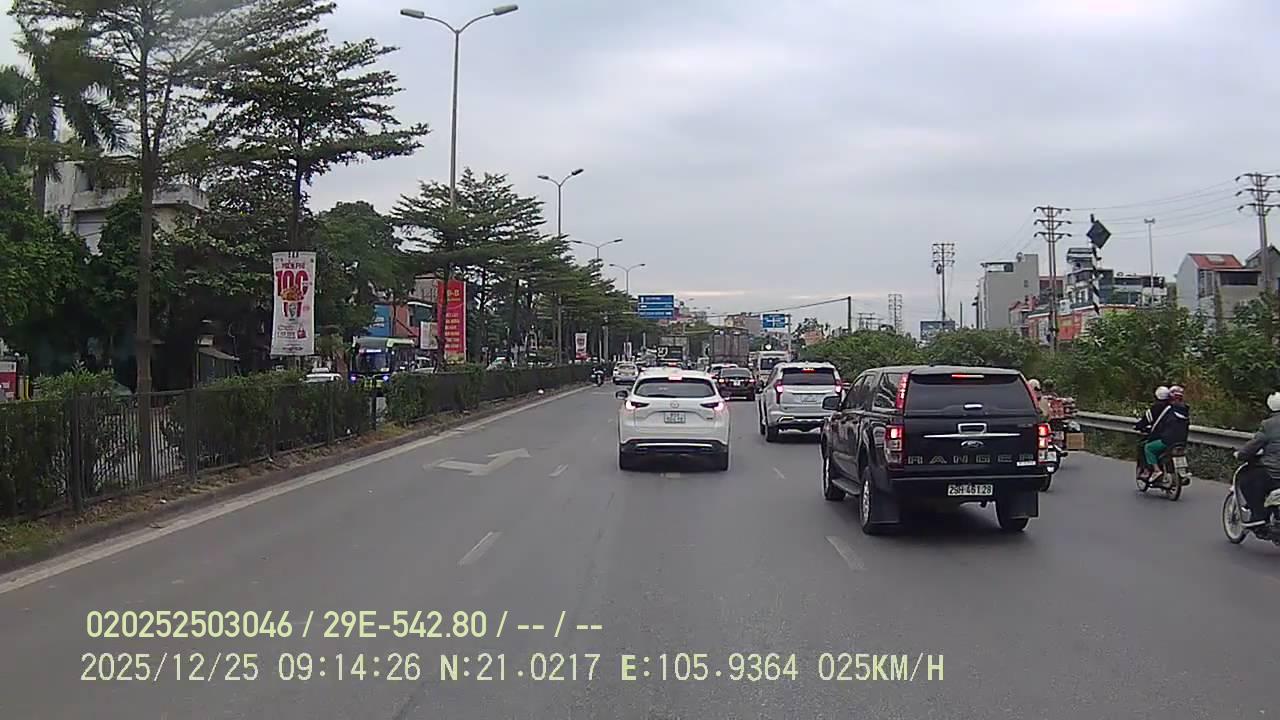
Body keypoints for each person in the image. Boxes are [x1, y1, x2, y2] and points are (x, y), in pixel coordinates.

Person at [1234, 392, 1280, 527]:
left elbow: (1254, 444)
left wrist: (1241, 454)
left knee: (1247, 481)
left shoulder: (1269, 425)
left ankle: (1258, 516)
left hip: (1274, 470)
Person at [1145, 385, 1190, 483]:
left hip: (1167, 441)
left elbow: (1159, 424)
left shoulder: (1168, 409)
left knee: (1148, 448)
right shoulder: (1185, 410)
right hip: (1182, 441)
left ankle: (1156, 470)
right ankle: (1182, 473)